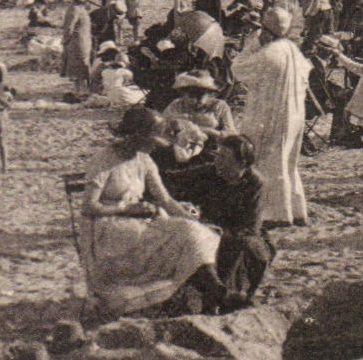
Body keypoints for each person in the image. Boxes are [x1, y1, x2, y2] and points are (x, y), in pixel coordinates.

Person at [75, 106, 240, 316]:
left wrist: (191, 219)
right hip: (107, 228)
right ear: (137, 135)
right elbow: (89, 206)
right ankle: (215, 291)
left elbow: (165, 199)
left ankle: (214, 290)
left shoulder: (143, 159)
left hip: (137, 222)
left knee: (195, 232)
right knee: (182, 236)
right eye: (153, 138)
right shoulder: (105, 159)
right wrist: (126, 208)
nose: (156, 144)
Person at [168, 133, 274, 301]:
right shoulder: (211, 171)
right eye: (218, 156)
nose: (218, 161)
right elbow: (171, 179)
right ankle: (214, 292)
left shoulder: (256, 184)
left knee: (242, 247)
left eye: (224, 158)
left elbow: (250, 228)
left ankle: (229, 295)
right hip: (209, 228)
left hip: (243, 236)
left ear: (242, 163)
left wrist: (217, 232)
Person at [231, 7, 310, 228]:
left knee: (268, 162)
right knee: (288, 163)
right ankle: (295, 211)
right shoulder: (293, 50)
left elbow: (238, 68)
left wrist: (252, 45)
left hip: (270, 114)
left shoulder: (268, 54)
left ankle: (275, 215)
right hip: (293, 114)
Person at [161, 70, 237, 144]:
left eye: (201, 94)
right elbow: (162, 126)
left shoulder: (219, 106)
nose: (195, 100)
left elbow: (231, 135)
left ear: (209, 93)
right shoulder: (177, 104)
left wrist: (207, 131)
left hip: (212, 147)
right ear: (183, 93)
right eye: (191, 95)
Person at [61, 0, 96, 95]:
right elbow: (68, 27)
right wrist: (66, 40)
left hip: (84, 40)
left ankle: (82, 89)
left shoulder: (80, 9)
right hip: (77, 41)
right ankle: (80, 90)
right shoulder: (74, 9)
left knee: (83, 64)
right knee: (78, 65)